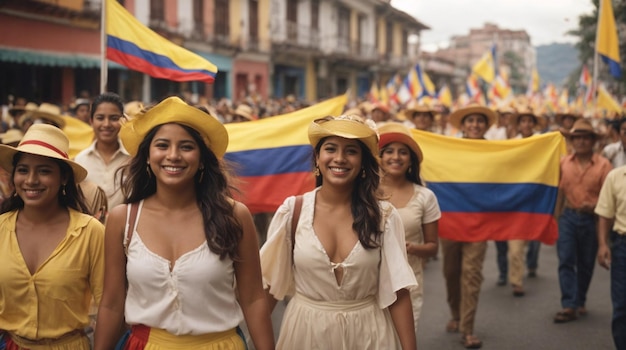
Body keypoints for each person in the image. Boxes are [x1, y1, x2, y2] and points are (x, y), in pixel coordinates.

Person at [94, 96, 274, 350]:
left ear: (202, 159)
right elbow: (111, 304)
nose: (173, 156)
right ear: (147, 156)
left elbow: (253, 298)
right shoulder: (122, 219)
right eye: (162, 145)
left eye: (186, 147)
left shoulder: (234, 216)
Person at [261, 115, 417, 349]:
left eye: (351, 151)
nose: (340, 159)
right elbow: (269, 289)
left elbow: (398, 291)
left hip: (370, 335)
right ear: (317, 158)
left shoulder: (384, 216)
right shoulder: (292, 212)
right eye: (331, 149)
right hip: (305, 334)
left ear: (363, 162)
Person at [0, 124, 105, 349]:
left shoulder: (90, 232)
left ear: (64, 177)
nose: (31, 180)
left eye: (44, 171)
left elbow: (109, 305)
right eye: (23, 170)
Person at [442, 103, 497, 349]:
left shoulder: (496, 152)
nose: (475, 125)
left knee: (472, 275)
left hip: (479, 222)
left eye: (479, 121)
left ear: (486, 126)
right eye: (470, 121)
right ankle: (455, 313)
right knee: (451, 272)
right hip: (451, 220)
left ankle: (467, 328)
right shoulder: (449, 149)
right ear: (462, 126)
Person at [378, 122, 440, 334]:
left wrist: (410, 248)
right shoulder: (363, 193)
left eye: (403, 152)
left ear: (410, 161)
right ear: (379, 157)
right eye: (389, 151)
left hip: (408, 284)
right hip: (367, 284)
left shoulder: (425, 196)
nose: (396, 157)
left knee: (403, 339)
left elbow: (433, 247)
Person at [554, 119, 612, 323]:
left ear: (592, 141)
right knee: (566, 260)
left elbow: (608, 196)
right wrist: (555, 218)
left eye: (585, 138)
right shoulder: (563, 163)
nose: (581, 142)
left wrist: (596, 206)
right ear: (572, 141)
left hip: (592, 220)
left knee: (586, 263)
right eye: (577, 138)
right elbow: (559, 192)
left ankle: (580, 299)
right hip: (568, 217)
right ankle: (569, 304)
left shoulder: (604, 165)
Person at [75, 92, 131, 210]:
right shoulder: (80, 160)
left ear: (123, 120)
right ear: (91, 121)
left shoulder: (133, 159)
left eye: (114, 118)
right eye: (100, 118)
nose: (106, 124)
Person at [595, 164, 626, 350]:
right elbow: (605, 214)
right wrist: (603, 244)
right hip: (622, 247)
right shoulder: (615, 176)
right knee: (622, 306)